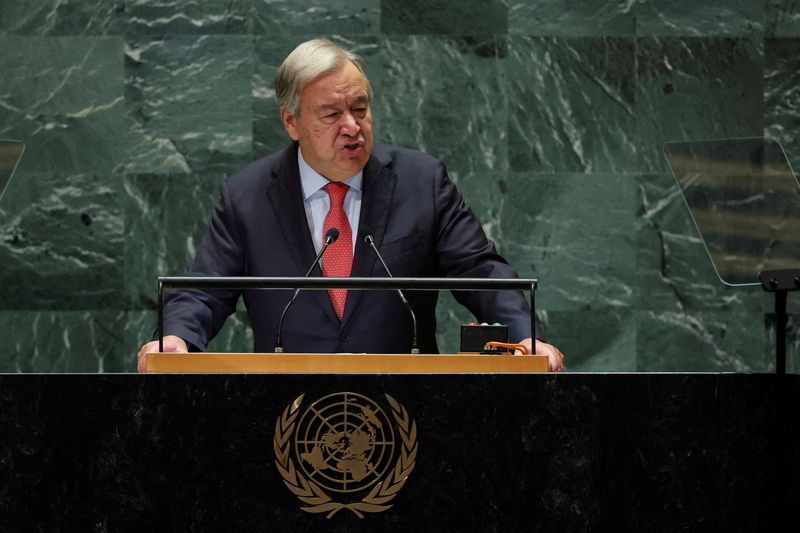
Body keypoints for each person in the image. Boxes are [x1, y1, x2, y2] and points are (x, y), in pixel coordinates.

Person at [137, 39, 565, 372]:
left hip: (409, 409)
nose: (352, 127)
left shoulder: (421, 181)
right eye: (329, 114)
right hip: (284, 413)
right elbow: (203, 290)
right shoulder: (247, 197)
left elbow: (480, 270)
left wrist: (526, 337)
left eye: (360, 109)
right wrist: (176, 339)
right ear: (291, 122)